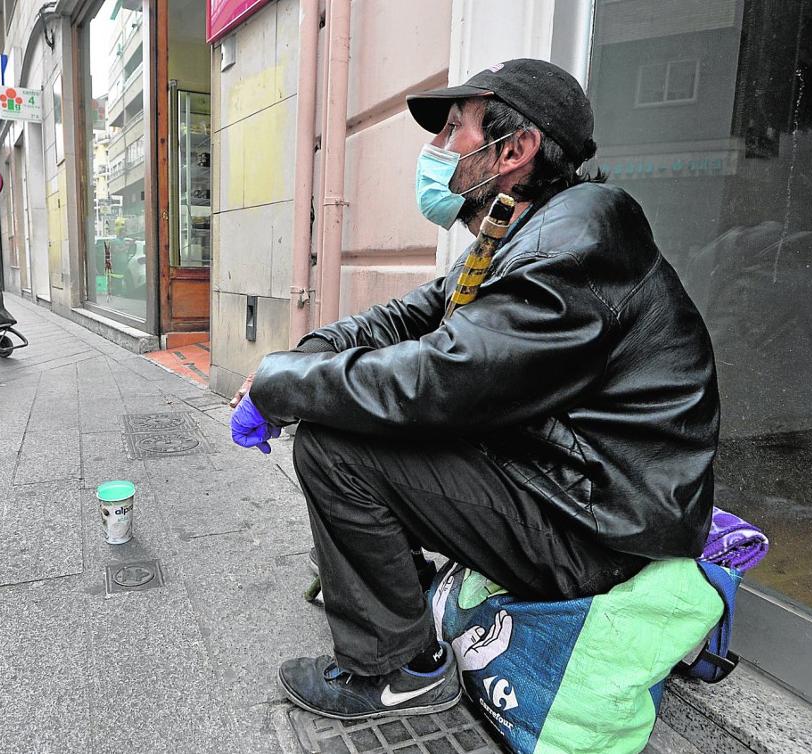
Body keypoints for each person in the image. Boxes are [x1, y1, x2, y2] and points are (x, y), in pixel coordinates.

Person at [228, 58, 720, 720]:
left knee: (333, 449)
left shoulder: (575, 245)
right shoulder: (521, 229)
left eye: (454, 130)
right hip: (566, 490)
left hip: (596, 534)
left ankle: (398, 669)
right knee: (348, 418)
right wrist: (294, 360)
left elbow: (437, 380)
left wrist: (282, 388)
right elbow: (408, 317)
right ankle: (407, 599)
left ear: (513, 150)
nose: (437, 150)